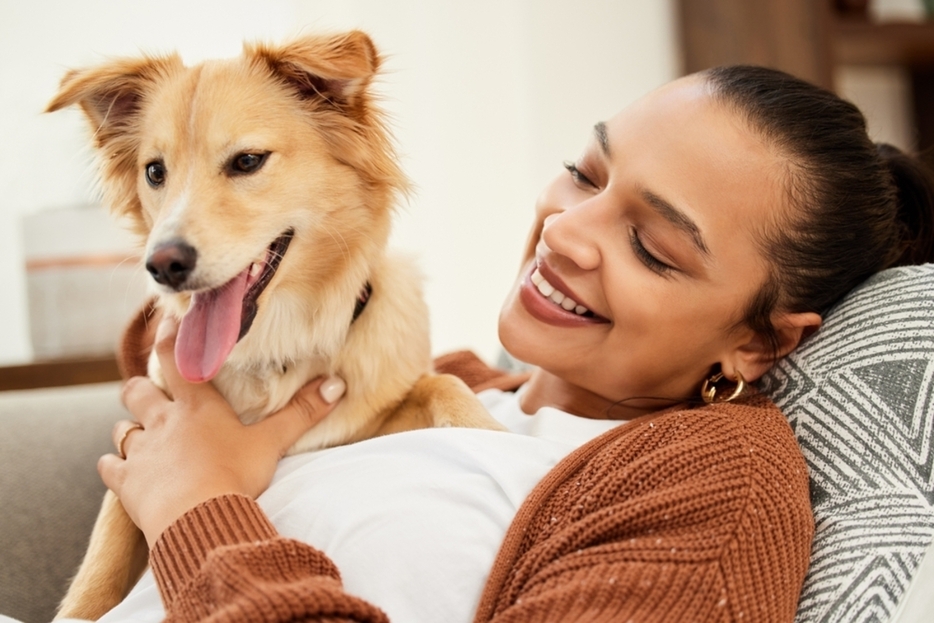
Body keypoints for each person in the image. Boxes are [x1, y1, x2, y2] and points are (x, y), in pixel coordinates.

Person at [93, 65, 934, 623]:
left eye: (652, 247)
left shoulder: (715, 483)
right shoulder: (452, 385)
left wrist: (200, 510)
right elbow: (196, 362)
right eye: (586, 173)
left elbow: (202, 483)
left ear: (756, 342)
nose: (565, 231)